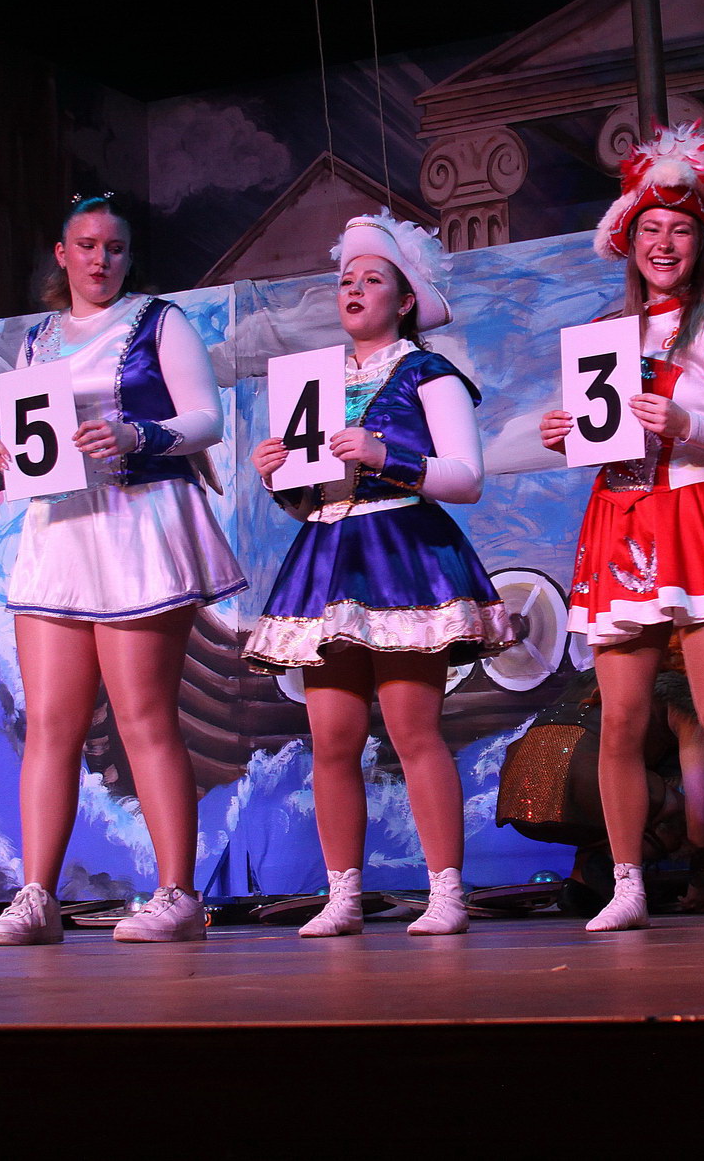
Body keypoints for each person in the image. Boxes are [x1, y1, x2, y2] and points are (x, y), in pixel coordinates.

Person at [539, 124, 704, 931]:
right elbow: (604, 435)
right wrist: (565, 436)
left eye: (680, 229)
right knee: (619, 718)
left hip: (699, 517)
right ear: (628, 239)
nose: (663, 242)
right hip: (621, 520)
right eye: (649, 227)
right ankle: (627, 884)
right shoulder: (604, 336)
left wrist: (690, 422)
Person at [0, 195, 245, 944]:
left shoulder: (158, 321)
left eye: (115, 248)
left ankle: (178, 894)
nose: (101, 259)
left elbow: (206, 419)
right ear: (62, 255)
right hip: (60, 531)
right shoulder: (37, 340)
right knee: (49, 725)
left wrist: (135, 433)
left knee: (143, 716)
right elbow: (25, 433)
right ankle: (37, 896)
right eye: (87, 246)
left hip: (137, 524)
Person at [247, 212, 514, 937]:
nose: (355, 289)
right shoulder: (317, 382)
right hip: (328, 556)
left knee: (412, 729)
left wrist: (384, 453)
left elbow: (466, 478)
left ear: (404, 300)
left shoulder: (429, 372)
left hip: (400, 552)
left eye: (373, 279)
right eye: (347, 280)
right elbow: (311, 497)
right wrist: (278, 477)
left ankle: (446, 891)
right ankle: (342, 895)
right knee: (331, 738)